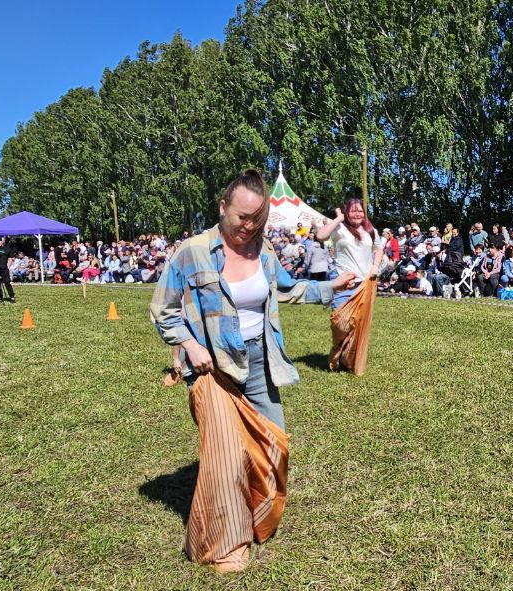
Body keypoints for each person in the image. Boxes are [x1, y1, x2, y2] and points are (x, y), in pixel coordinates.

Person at [150, 169, 294, 573]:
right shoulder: (191, 252)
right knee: (226, 460)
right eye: (243, 217)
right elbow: (162, 310)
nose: (249, 226)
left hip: (261, 361)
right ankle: (226, 544)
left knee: (273, 447)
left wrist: (333, 286)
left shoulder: (264, 252)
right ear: (223, 207)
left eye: (258, 219)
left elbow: (287, 288)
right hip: (214, 370)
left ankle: (257, 518)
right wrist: (191, 345)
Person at [315, 197, 383, 374]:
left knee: (358, 325)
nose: (357, 213)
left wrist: (375, 266)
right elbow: (321, 236)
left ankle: (348, 359)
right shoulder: (339, 228)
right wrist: (338, 218)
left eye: (360, 210)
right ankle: (337, 349)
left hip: (365, 284)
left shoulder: (370, 230)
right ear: (347, 212)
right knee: (341, 323)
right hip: (343, 282)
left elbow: (379, 248)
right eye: (353, 210)